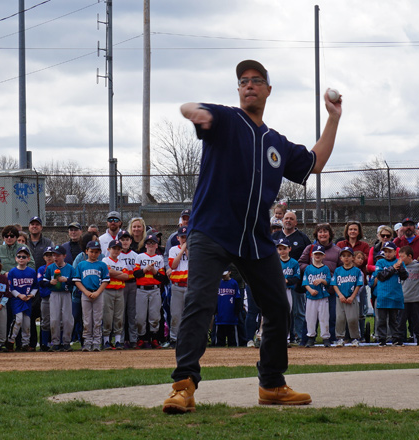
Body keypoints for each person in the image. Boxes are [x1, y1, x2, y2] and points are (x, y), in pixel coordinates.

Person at [163, 59, 341, 414]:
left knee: (277, 308)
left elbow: (316, 163)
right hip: (211, 230)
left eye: (256, 80)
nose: (248, 85)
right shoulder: (226, 119)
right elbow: (188, 107)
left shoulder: (275, 143)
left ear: (268, 90)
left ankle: (272, 384)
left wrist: (333, 117)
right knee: (200, 303)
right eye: (243, 81)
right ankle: (183, 386)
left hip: (255, 238)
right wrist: (196, 113)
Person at [271, 210, 311, 344]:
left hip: (296, 281)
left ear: (296, 222)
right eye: (286, 218)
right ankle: (282, 336)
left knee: (298, 311)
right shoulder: (275, 236)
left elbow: (309, 258)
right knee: (279, 311)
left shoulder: (302, 238)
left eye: (291, 219)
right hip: (277, 281)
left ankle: (300, 336)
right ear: (282, 220)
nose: (288, 220)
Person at [298, 223, 342, 343]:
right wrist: (314, 270)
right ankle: (307, 339)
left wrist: (329, 276)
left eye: (325, 231)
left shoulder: (337, 250)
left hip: (330, 289)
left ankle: (330, 339)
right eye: (320, 232)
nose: (322, 234)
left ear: (330, 234)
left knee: (330, 316)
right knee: (310, 316)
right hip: (313, 289)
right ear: (316, 234)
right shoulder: (310, 248)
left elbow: (341, 269)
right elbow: (300, 263)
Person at [73, 241, 110, 352]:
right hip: (86, 294)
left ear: (99, 253)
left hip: (98, 294)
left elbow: (105, 280)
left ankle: (97, 342)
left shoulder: (102, 265)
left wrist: (98, 292)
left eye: (96, 252)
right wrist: (85, 292)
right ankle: (87, 342)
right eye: (91, 251)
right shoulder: (81, 265)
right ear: (86, 251)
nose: (93, 254)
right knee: (87, 320)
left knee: (97, 319)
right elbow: (77, 281)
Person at [134, 234, 168, 350]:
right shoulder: (140, 257)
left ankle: (154, 338)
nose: (151, 245)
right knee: (140, 317)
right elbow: (136, 274)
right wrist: (144, 270)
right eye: (148, 243)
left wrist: (154, 271)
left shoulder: (159, 258)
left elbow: (162, 278)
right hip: (141, 289)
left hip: (155, 289)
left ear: (156, 245)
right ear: (145, 245)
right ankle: (141, 338)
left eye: (153, 243)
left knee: (154, 316)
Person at [372, 242, 407, 346]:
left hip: (395, 295)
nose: (387, 254)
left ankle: (396, 338)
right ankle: (382, 338)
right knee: (381, 320)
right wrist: (393, 267)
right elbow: (381, 276)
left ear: (395, 252)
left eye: (390, 251)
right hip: (383, 295)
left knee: (394, 320)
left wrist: (400, 267)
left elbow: (404, 276)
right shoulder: (380, 262)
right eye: (385, 251)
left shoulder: (399, 262)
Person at [26, 216, 53, 351]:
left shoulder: (47, 242)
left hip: (43, 282)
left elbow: (52, 260)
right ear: (29, 227)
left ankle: (45, 343)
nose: (34, 226)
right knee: (30, 314)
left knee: (45, 315)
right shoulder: (25, 242)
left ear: (41, 227)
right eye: (32, 224)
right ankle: (31, 343)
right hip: (28, 283)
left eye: (37, 224)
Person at [44, 245, 76, 352]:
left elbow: (76, 280)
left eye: (58, 255)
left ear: (64, 256)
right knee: (54, 319)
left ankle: (66, 342)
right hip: (54, 294)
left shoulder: (70, 268)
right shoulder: (50, 267)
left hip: (66, 294)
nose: (55, 257)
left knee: (67, 319)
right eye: (54, 255)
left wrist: (66, 280)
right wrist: (50, 282)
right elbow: (43, 282)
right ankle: (56, 342)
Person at [6, 246, 38, 352]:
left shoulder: (32, 272)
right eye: (19, 256)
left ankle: (25, 343)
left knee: (27, 323)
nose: (21, 259)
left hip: (27, 300)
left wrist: (31, 295)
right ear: (16, 258)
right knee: (18, 320)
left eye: (24, 257)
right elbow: (10, 288)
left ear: (28, 259)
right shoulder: (12, 272)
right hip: (17, 300)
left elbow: (35, 286)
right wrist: (19, 295)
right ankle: (10, 341)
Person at [331, 247, 364, 347]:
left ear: (353, 258)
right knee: (340, 318)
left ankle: (355, 338)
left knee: (353, 319)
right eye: (344, 256)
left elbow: (359, 285)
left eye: (349, 256)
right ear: (340, 258)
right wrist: (340, 295)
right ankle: (340, 338)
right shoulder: (338, 270)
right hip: (340, 298)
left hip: (351, 298)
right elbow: (334, 284)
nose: (346, 258)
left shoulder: (356, 271)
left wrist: (352, 296)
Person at [397, 246, 419, 345]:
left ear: (409, 256)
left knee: (416, 321)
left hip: (415, 298)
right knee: (401, 321)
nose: (400, 259)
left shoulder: (418, 266)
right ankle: (400, 339)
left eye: (402, 257)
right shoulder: (400, 267)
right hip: (404, 298)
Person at [302, 245, 332, 348]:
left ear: (324, 256)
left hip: (323, 297)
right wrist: (310, 290)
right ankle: (310, 337)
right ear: (312, 255)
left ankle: (325, 337)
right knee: (310, 318)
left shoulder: (325, 268)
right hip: (311, 297)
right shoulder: (308, 268)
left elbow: (328, 281)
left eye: (320, 254)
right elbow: (305, 282)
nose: (318, 256)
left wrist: (322, 280)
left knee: (324, 317)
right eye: (316, 254)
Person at [101, 239, 129, 350]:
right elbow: (108, 272)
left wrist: (114, 273)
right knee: (107, 315)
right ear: (109, 249)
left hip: (119, 290)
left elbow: (126, 276)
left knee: (118, 316)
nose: (116, 251)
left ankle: (118, 340)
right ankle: (106, 340)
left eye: (118, 249)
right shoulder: (105, 260)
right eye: (114, 249)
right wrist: (119, 273)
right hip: (108, 289)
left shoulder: (122, 261)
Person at [168, 226, 189, 349]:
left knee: (189, 314)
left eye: (186, 237)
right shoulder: (173, 250)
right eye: (182, 237)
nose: (184, 239)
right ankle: (174, 338)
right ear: (178, 238)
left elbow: (193, 263)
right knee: (176, 314)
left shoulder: (194, 249)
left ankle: (188, 339)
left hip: (189, 285)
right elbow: (173, 265)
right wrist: (181, 250)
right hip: (177, 285)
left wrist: (187, 249)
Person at [118, 230, 139, 349]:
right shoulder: (116, 254)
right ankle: (120, 339)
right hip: (121, 285)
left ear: (131, 241)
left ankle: (133, 339)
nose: (125, 242)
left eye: (127, 239)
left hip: (132, 284)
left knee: (132, 313)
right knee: (120, 314)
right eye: (122, 239)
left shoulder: (135, 255)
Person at [214, 270, 242, 347]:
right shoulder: (218, 283)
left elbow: (237, 298)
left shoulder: (234, 283)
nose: (224, 276)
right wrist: (215, 310)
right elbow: (214, 298)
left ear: (230, 272)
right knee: (219, 342)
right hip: (220, 317)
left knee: (232, 341)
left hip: (231, 317)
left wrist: (237, 311)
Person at [36, 247, 54, 352]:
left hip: (56, 296)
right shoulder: (42, 269)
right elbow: (40, 282)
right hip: (45, 297)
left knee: (57, 321)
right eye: (47, 255)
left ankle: (55, 342)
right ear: (44, 257)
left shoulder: (58, 267)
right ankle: (44, 343)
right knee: (45, 321)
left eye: (51, 255)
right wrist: (50, 283)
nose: (49, 257)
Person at [276, 238, 300, 312]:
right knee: (277, 311)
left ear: (289, 249)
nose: (282, 251)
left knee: (287, 311)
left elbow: (297, 277)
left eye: (284, 248)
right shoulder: (275, 262)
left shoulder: (294, 263)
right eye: (280, 249)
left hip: (288, 289)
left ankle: (287, 324)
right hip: (277, 289)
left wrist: (288, 281)